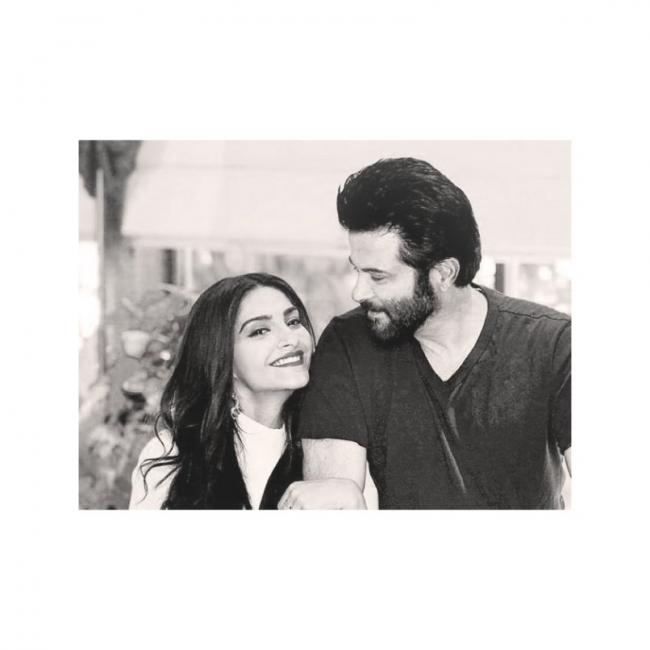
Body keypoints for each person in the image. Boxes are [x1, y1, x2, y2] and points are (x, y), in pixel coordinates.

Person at [298, 157, 571, 509]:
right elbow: (330, 503)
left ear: (443, 274)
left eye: (378, 276)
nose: (358, 292)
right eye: (357, 270)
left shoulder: (554, 344)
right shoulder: (347, 343)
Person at [129, 272, 377, 509]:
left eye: (293, 321)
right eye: (260, 331)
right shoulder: (169, 455)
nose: (290, 339)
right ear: (221, 356)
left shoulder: (337, 450)